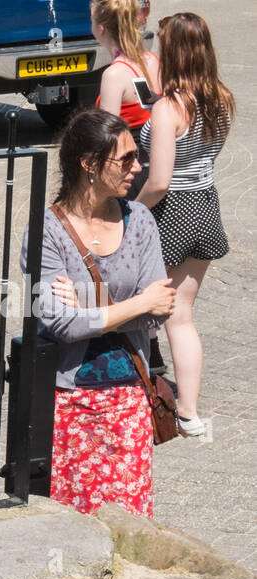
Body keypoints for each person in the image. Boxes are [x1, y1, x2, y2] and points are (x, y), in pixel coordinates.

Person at [30, 108, 175, 517]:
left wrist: (91, 311)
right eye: (126, 158)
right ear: (90, 165)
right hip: (70, 402)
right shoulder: (47, 231)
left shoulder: (141, 221)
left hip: (130, 396)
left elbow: (159, 311)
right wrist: (139, 303)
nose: (138, 166)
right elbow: (60, 324)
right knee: (74, 526)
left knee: (130, 526)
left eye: (137, 155)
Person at [135, 12, 234, 439]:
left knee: (150, 310)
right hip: (206, 205)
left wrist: (132, 212)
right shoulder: (222, 99)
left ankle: (137, 392)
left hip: (171, 209)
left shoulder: (167, 109)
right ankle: (190, 413)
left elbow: (158, 181)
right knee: (183, 314)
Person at [92, 0, 161, 198]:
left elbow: (107, 138)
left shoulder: (114, 75)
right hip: (156, 160)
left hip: (130, 170)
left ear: (101, 29)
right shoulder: (153, 60)